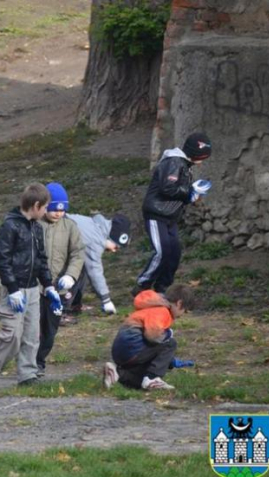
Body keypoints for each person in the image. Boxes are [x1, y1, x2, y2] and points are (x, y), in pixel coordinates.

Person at [0, 183, 58, 391]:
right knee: (12, 334)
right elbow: (2, 260)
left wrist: (49, 286)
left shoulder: (37, 228)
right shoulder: (10, 226)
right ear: (35, 205)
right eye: (45, 208)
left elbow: (42, 259)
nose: (46, 212)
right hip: (14, 290)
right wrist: (12, 288)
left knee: (32, 334)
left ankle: (27, 373)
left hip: (33, 288)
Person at [135, 133, 213, 295]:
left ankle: (163, 287)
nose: (203, 161)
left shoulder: (184, 165)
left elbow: (177, 193)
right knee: (162, 252)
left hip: (170, 216)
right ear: (195, 153)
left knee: (174, 253)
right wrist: (190, 191)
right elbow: (168, 188)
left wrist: (192, 196)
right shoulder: (174, 162)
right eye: (203, 156)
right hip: (157, 213)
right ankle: (142, 285)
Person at [103, 284, 196, 391]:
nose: (182, 315)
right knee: (170, 343)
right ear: (179, 304)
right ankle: (152, 379)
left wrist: (169, 360)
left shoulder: (153, 306)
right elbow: (152, 336)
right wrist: (168, 334)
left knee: (140, 380)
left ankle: (116, 373)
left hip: (122, 351)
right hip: (132, 349)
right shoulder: (162, 311)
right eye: (185, 311)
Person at [35, 183, 85, 376]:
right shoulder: (35, 224)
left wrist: (71, 275)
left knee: (50, 329)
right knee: (32, 327)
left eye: (62, 210)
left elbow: (78, 253)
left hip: (58, 288)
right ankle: (31, 362)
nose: (57, 214)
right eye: (54, 209)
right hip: (36, 287)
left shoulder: (70, 226)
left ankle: (40, 358)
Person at [66, 212, 132, 315]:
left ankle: (74, 304)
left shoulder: (95, 226)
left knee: (82, 267)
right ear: (110, 238)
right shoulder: (94, 240)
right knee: (73, 272)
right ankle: (62, 309)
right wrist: (106, 300)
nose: (114, 251)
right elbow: (94, 270)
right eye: (115, 247)